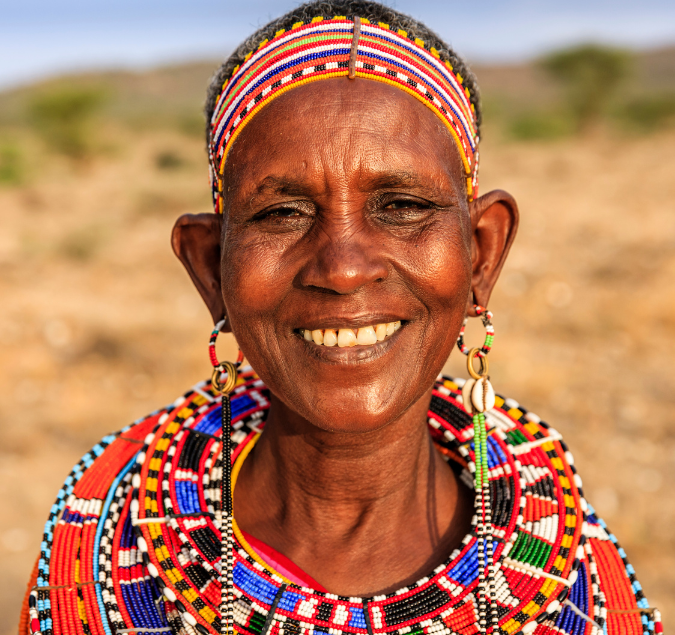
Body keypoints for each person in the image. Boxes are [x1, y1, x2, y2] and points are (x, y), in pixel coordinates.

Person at [20, 2, 662, 634]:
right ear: (212, 268)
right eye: (281, 214)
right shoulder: (103, 536)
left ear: (481, 255)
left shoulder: (579, 589)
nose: (344, 268)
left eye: (403, 205)